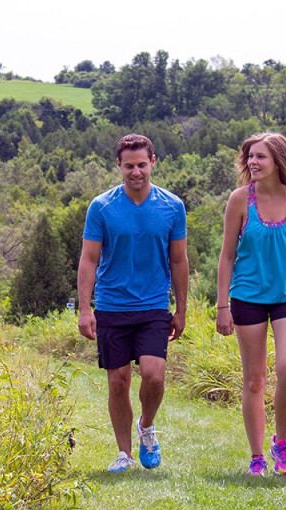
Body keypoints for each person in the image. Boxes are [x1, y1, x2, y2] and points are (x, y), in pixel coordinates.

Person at [78, 133, 188, 472]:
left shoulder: (172, 206)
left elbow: (179, 261)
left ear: (153, 163)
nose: (136, 172)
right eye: (129, 166)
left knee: (154, 376)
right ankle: (124, 453)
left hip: (154, 305)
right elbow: (89, 259)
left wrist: (181, 309)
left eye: (142, 164)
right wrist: (85, 308)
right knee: (118, 381)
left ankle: (147, 426)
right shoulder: (102, 207)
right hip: (112, 305)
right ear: (119, 166)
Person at [216, 132, 286, 476]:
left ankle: (282, 443)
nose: (252, 162)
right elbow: (227, 255)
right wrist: (222, 306)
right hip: (246, 297)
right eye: (249, 157)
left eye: (260, 156)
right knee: (254, 380)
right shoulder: (239, 200)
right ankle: (257, 456)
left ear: (279, 160)